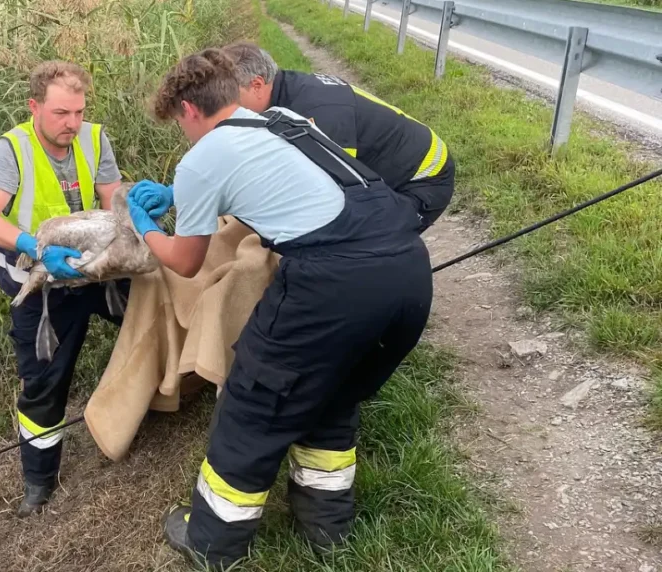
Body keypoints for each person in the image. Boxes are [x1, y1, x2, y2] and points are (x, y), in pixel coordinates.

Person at [125, 48, 434, 568]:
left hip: (334, 283)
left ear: (188, 110)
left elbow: (184, 260)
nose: (184, 134)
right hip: (407, 270)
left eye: (179, 123)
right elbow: (276, 180)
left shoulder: (200, 157)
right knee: (333, 389)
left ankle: (212, 542)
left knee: (255, 400)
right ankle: (327, 526)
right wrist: (179, 193)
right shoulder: (284, 120)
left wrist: (145, 226)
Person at [0, 60, 127, 517]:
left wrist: (137, 204)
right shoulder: (12, 149)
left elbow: (112, 200)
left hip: (95, 275)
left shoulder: (94, 138)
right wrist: (35, 248)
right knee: (43, 384)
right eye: (60, 114)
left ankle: (162, 401)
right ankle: (39, 482)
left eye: (78, 112)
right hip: (42, 290)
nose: (72, 125)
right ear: (34, 106)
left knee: (152, 312)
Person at [223, 41, 455, 233]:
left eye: (230, 97)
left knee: (352, 241)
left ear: (257, 85)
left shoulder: (317, 110)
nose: (226, 107)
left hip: (423, 178)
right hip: (392, 163)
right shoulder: (287, 89)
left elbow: (340, 192)